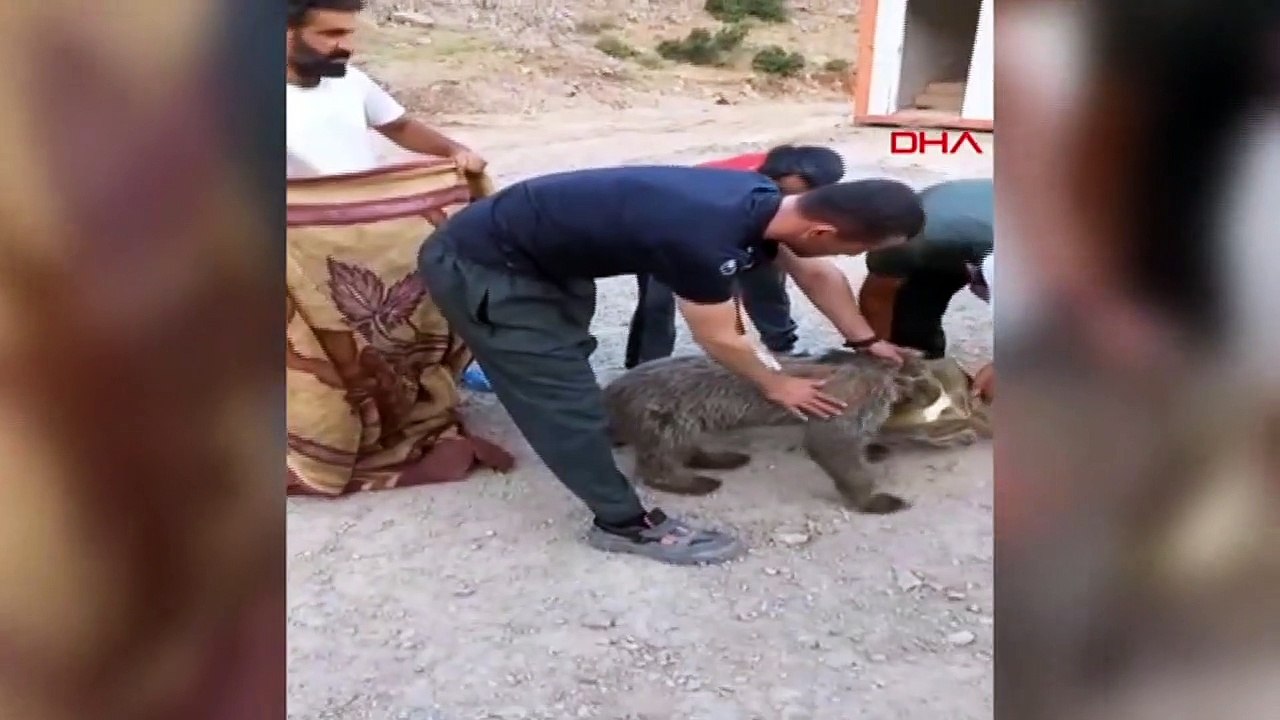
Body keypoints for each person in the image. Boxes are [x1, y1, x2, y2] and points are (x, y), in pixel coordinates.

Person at [417, 165, 923, 565]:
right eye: (857, 249)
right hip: (486, 266)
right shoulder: (704, 237)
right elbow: (719, 335)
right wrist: (776, 384)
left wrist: (866, 340)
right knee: (560, 398)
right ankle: (623, 523)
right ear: (822, 228)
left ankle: (574, 410)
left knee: (567, 358)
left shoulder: (765, 201)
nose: (852, 257)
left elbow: (816, 274)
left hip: (542, 261)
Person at [624, 145, 847, 368]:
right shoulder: (716, 182)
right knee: (657, 301)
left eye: (798, 196)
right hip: (675, 228)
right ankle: (647, 365)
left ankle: (782, 349)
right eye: (783, 192)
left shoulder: (797, 177)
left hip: (753, 221)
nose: (787, 200)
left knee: (767, 280)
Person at [285, 0, 486, 178]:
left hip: (370, 203)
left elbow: (399, 127)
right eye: (332, 34)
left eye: (349, 34)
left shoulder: (351, 80)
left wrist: (456, 151)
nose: (348, 47)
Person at [857, 177, 994, 400]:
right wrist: (876, 347)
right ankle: (923, 381)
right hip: (940, 240)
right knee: (907, 326)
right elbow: (878, 297)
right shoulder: (901, 242)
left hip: (992, 239)